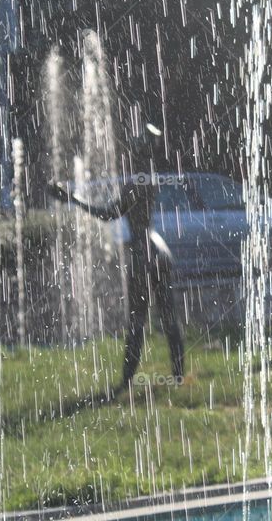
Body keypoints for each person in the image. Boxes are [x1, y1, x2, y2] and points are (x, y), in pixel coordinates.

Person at [47, 127, 184, 386]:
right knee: (168, 317)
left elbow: (109, 214)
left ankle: (127, 380)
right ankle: (177, 376)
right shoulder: (148, 178)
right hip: (159, 248)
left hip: (143, 255)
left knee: (137, 321)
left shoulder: (136, 182)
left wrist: (73, 199)